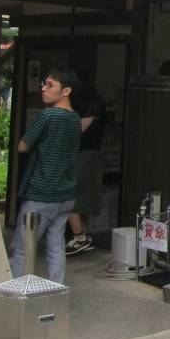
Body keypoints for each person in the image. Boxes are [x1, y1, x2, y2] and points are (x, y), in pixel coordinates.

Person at [8, 68, 82, 285]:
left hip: (42, 191)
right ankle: (56, 288)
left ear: (66, 90)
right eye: (44, 83)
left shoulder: (48, 115)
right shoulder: (75, 118)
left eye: (50, 85)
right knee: (56, 244)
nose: (44, 88)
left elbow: (23, 146)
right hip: (66, 193)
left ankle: (15, 291)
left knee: (22, 247)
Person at [66, 81, 107, 256]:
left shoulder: (90, 107)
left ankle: (79, 237)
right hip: (90, 152)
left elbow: (77, 130)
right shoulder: (94, 105)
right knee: (81, 195)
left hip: (84, 153)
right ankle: (84, 235)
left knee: (70, 195)